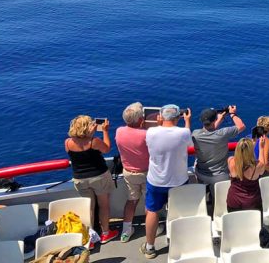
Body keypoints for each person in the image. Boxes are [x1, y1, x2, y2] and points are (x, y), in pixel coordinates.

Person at [140, 105, 192, 260]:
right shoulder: (184, 132)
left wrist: (158, 123)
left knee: (152, 211)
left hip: (156, 180)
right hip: (179, 181)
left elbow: (155, 135)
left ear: (160, 117)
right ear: (178, 117)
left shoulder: (150, 132)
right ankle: (180, 243)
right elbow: (189, 143)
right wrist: (187, 122)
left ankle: (150, 247)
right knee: (179, 212)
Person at [64, 115, 119, 244]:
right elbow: (106, 149)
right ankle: (105, 233)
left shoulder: (67, 142)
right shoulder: (93, 141)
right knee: (103, 206)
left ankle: (89, 239)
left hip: (80, 179)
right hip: (98, 177)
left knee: (88, 208)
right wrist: (105, 131)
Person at [115, 102, 149, 243]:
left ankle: (126, 231)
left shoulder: (119, 131)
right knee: (149, 203)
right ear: (141, 120)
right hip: (147, 173)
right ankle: (150, 229)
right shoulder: (146, 134)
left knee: (131, 201)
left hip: (129, 173)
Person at [191, 105, 245, 185]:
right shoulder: (222, 134)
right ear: (215, 120)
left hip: (201, 174)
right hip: (220, 176)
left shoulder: (195, 134)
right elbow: (241, 126)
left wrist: (220, 117)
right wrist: (232, 114)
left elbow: (209, 131)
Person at [226, 137, 266, 212]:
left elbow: (241, 160)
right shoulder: (257, 166)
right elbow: (262, 165)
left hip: (234, 201)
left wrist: (247, 146)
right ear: (251, 151)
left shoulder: (231, 161)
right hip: (252, 203)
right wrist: (261, 147)